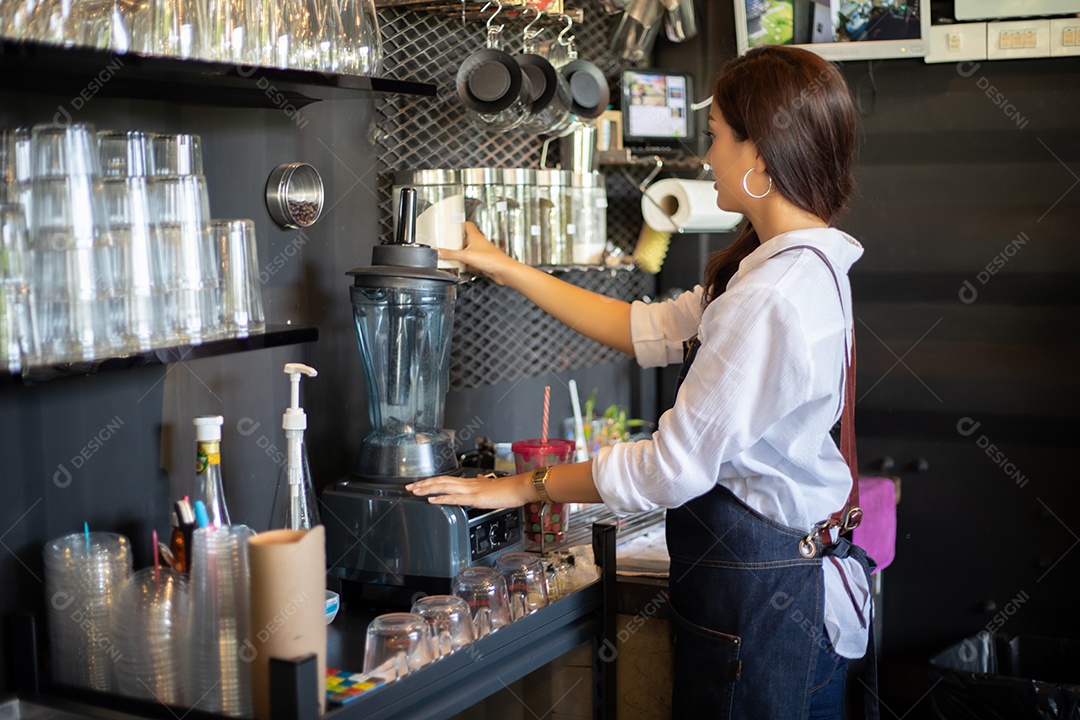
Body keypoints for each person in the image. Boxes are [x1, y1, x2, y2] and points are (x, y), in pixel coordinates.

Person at [407, 45, 877, 720]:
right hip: (784, 580)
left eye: (716, 139)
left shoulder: (771, 295)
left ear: (762, 159)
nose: (706, 157)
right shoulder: (795, 267)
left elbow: (667, 470)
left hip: (762, 603)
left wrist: (517, 487)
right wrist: (504, 266)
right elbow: (643, 328)